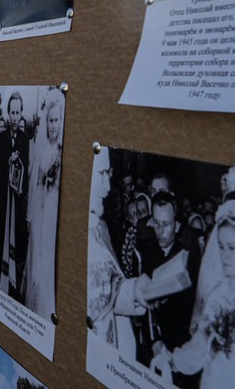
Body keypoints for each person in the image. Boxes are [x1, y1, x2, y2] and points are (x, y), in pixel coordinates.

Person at [150, 197, 235, 387]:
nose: (224, 256)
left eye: (232, 248)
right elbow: (199, 348)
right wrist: (172, 360)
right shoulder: (218, 296)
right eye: (220, 246)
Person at [87, 148, 150, 357]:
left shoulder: (99, 225)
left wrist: (135, 290)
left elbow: (110, 287)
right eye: (101, 174)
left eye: (109, 174)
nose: (107, 188)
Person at [139, 191, 203, 382]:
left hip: (183, 349)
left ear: (177, 225)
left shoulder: (189, 260)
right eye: (156, 224)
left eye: (166, 224)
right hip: (155, 347)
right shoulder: (147, 256)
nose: (160, 231)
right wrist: (155, 341)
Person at [0, 91, 30, 299]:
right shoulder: (2, 139)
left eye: (17, 113)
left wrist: (18, 164)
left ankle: (12, 283)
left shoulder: (24, 140)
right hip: (4, 201)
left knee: (15, 238)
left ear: (21, 114)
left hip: (17, 200)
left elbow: (26, 170)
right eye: (11, 112)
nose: (13, 117)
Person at [23, 89, 63, 318]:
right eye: (50, 120)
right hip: (41, 214)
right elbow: (34, 187)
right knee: (37, 267)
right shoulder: (41, 151)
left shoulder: (61, 152)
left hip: (54, 216)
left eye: (57, 120)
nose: (54, 126)